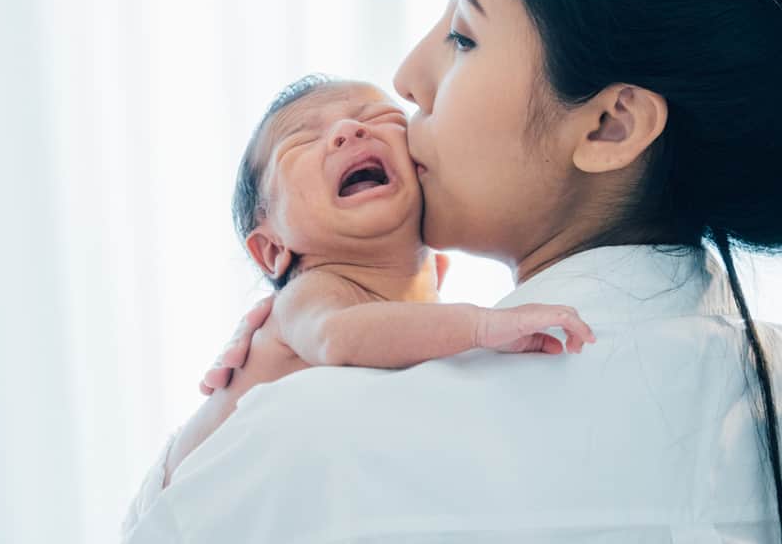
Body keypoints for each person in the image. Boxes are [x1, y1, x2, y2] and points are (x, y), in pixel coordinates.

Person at [128, 0, 782, 542]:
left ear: (609, 126)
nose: (407, 78)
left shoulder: (314, 443)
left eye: (463, 36)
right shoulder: (762, 399)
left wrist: (227, 412)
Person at [120, 76, 596, 536]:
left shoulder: (420, 310)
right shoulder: (312, 295)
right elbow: (341, 335)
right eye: (301, 141)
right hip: (174, 506)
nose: (349, 131)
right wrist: (482, 326)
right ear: (272, 249)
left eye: (380, 117)